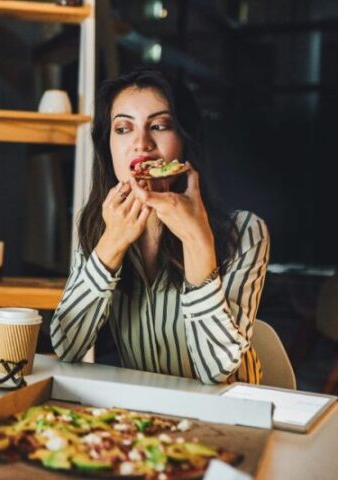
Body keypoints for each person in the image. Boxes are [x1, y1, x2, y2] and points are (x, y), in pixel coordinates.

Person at [50, 68, 269, 384]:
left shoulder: (246, 230)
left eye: (159, 126)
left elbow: (217, 371)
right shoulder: (100, 226)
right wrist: (111, 243)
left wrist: (197, 241)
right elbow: (66, 346)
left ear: (185, 140)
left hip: (229, 418)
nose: (141, 143)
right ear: (108, 147)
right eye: (123, 129)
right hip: (143, 417)